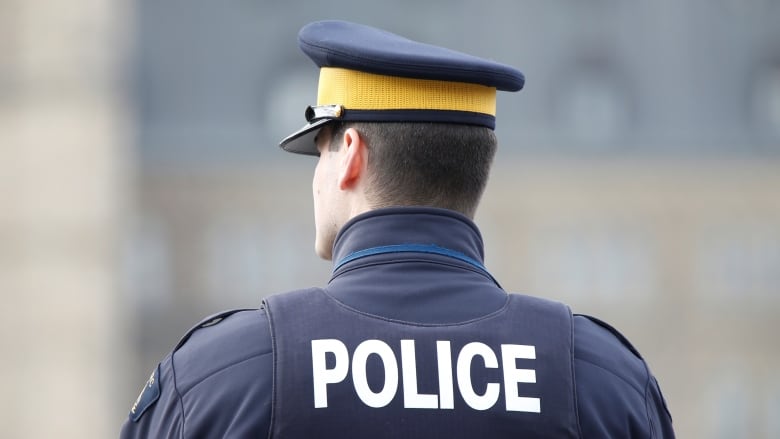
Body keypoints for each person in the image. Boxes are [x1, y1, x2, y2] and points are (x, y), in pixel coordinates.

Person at [121, 20, 675, 438]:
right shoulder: (603, 383)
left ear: (350, 156)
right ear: (479, 167)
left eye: (320, 150)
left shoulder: (223, 378)